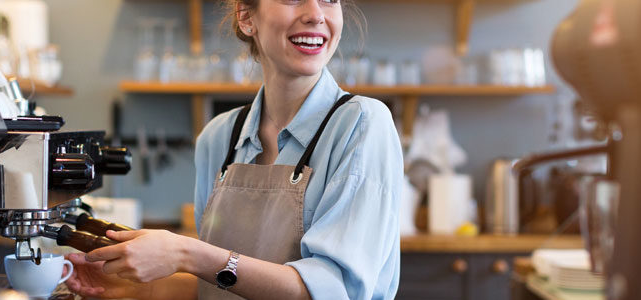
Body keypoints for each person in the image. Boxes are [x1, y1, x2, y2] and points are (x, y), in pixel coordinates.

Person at [65, 0, 403, 299]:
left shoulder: (361, 124)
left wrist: (186, 253)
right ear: (246, 16)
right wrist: (130, 289)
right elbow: (218, 284)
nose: (315, 14)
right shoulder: (219, 137)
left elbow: (332, 291)